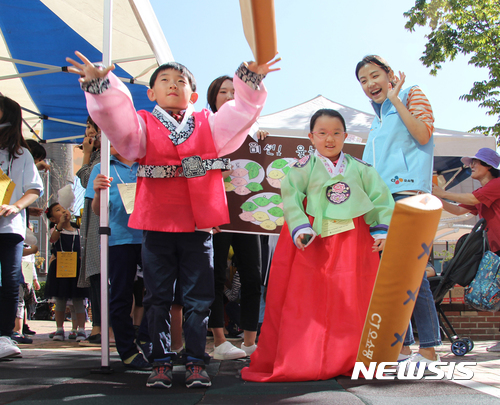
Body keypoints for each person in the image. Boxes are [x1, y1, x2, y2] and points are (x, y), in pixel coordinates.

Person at [66, 50, 279, 388]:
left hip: (198, 224)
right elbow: (116, 120)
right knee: (157, 296)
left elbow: (240, 113)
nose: (172, 85)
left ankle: (195, 360)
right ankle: (161, 361)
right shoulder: (142, 125)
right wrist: (100, 86)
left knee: (199, 297)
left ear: (193, 95)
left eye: (180, 81)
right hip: (156, 223)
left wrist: (250, 81)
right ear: (150, 93)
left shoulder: (209, 124)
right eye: (164, 80)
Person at [241, 109, 394, 382]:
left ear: (346, 136)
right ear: (311, 137)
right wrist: (300, 226)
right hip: (314, 239)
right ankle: (306, 357)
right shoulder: (301, 167)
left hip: (353, 241)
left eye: (336, 133)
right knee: (306, 299)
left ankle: (351, 357)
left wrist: (381, 230)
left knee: (351, 297)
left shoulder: (361, 168)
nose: (330, 139)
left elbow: (381, 199)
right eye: (322, 133)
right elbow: (290, 198)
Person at [355, 55, 442, 368]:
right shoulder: (376, 120)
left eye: (375, 75)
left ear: (390, 74)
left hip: (408, 196)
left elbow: (423, 134)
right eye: (363, 81)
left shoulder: (411, 93)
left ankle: (429, 348)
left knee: (409, 276)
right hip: (381, 204)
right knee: (389, 278)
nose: (370, 84)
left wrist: (396, 99)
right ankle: (402, 347)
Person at [206, 75, 264, 360]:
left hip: (249, 216)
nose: (229, 96)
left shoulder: (254, 131)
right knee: (215, 277)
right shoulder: (204, 128)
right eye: (223, 92)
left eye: (234, 91)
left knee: (253, 277)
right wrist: (216, 168)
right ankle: (219, 341)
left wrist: (263, 141)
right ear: (213, 98)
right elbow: (189, 166)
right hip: (216, 215)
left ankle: (250, 341)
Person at [87, 144, 152, 370]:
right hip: (118, 239)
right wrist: (97, 192)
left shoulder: (147, 163)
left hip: (150, 237)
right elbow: (97, 211)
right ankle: (128, 351)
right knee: (121, 296)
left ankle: (146, 336)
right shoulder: (101, 167)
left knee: (161, 291)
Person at [432, 147, 500, 353]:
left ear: (488, 166)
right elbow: (460, 209)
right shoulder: (482, 193)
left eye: (474, 163)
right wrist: (437, 199)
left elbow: (471, 200)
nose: (470, 166)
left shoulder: (496, 184)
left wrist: (442, 192)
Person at [0, 95, 44, 359]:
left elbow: (34, 188)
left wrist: (16, 207)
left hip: (11, 228)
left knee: (9, 282)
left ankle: (5, 336)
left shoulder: (21, 153)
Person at [76, 116, 105, 346]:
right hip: (93, 219)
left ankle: (100, 326)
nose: (86, 133)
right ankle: (98, 325)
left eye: (89, 128)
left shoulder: (103, 155)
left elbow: (87, 179)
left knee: (100, 271)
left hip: (101, 220)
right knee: (96, 271)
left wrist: (85, 155)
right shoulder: (97, 155)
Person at [44, 203, 88, 341]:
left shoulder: (79, 230)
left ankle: (81, 329)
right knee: (60, 299)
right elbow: (53, 239)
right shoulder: (55, 230)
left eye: (64, 209)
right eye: (58, 211)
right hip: (61, 268)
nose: (63, 211)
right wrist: (59, 225)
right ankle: (59, 328)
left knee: (78, 300)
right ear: (52, 219)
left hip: (76, 268)